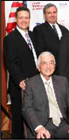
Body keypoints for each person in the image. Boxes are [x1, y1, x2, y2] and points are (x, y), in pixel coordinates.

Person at [22, 51, 69, 139]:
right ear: (38, 67)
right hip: (43, 125)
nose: (48, 66)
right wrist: (38, 127)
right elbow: (27, 108)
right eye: (44, 63)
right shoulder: (31, 83)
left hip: (62, 124)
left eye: (51, 63)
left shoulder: (63, 81)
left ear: (54, 66)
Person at [3, 7, 39, 138]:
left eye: (26, 17)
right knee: (19, 119)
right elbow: (11, 63)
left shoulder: (34, 36)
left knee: (34, 117)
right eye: (21, 17)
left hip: (36, 84)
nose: (24, 20)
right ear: (16, 19)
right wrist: (20, 80)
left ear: (29, 19)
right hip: (20, 86)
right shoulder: (10, 39)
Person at [33, 3, 69, 74]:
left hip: (65, 70)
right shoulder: (39, 30)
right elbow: (40, 51)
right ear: (45, 15)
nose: (52, 15)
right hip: (49, 70)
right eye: (49, 13)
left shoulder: (65, 30)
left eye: (54, 12)